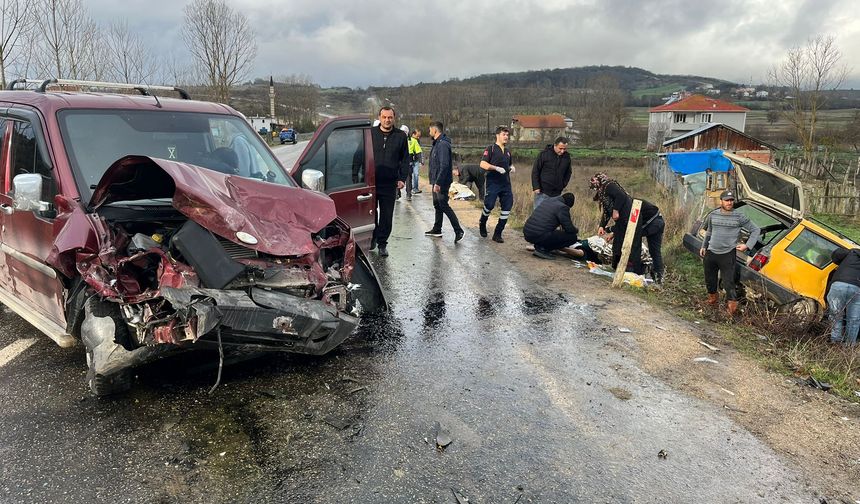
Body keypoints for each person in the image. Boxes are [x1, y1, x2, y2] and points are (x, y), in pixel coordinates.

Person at [590, 173, 664, 283]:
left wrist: (611, 227)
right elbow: (623, 224)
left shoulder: (620, 197)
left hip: (654, 222)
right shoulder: (625, 204)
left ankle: (654, 277)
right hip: (648, 221)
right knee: (632, 243)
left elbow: (627, 225)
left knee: (638, 246)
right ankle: (654, 276)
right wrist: (603, 226)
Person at [698, 189, 761, 315]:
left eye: (731, 200)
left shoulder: (739, 217)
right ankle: (712, 301)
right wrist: (704, 246)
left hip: (727, 254)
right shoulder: (713, 215)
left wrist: (747, 246)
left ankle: (731, 309)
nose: (729, 203)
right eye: (727, 200)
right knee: (710, 279)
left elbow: (756, 230)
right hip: (711, 252)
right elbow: (709, 231)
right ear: (721, 201)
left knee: (728, 282)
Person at [369, 107, 409, 257]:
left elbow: (405, 159)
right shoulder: (370, 134)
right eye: (384, 117)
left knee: (386, 215)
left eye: (390, 117)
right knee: (371, 213)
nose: (387, 120)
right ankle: (372, 237)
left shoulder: (400, 136)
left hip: (390, 184)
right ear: (379, 117)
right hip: (371, 182)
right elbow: (360, 154)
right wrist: (356, 175)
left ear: (394, 118)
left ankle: (382, 244)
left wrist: (402, 178)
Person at [424, 122, 464, 243]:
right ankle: (437, 229)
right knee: (437, 205)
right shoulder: (437, 143)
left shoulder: (442, 144)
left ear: (435, 130)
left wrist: (438, 183)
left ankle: (458, 230)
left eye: (430, 130)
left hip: (441, 182)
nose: (429, 132)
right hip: (436, 180)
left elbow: (444, 165)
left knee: (443, 205)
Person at [479, 126, 516, 243]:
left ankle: (498, 233)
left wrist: (512, 167)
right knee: (489, 205)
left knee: (507, 207)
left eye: (507, 135)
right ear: (497, 135)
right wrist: (495, 168)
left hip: (506, 184)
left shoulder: (508, 151)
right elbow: (482, 164)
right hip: (493, 182)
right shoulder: (491, 149)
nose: (506, 137)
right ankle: (482, 222)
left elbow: (509, 164)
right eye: (504, 134)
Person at [523, 193, 578, 260]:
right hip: (538, 235)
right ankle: (543, 249)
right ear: (568, 204)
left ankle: (539, 246)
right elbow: (569, 229)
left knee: (552, 232)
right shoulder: (563, 207)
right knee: (572, 237)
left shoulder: (548, 200)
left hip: (527, 233)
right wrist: (576, 230)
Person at [826, 247, 860, 345]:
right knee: (854, 319)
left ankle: (835, 341)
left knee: (836, 315)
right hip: (857, 289)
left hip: (838, 284)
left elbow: (836, 255)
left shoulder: (852, 252)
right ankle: (849, 346)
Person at [531, 137, 571, 209]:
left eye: (564, 149)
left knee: (553, 214)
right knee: (539, 213)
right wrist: (536, 187)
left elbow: (568, 173)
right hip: (542, 192)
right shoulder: (544, 154)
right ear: (555, 145)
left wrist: (562, 185)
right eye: (560, 148)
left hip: (557, 193)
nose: (562, 151)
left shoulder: (567, 157)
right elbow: (535, 171)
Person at [407, 129, 423, 199]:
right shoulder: (408, 140)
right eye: (417, 136)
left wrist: (420, 161)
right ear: (413, 134)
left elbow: (419, 151)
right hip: (410, 160)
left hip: (415, 160)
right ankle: (409, 190)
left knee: (415, 174)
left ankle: (415, 188)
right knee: (409, 176)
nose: (418, 137)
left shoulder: (416, 141)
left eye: (419, 136)